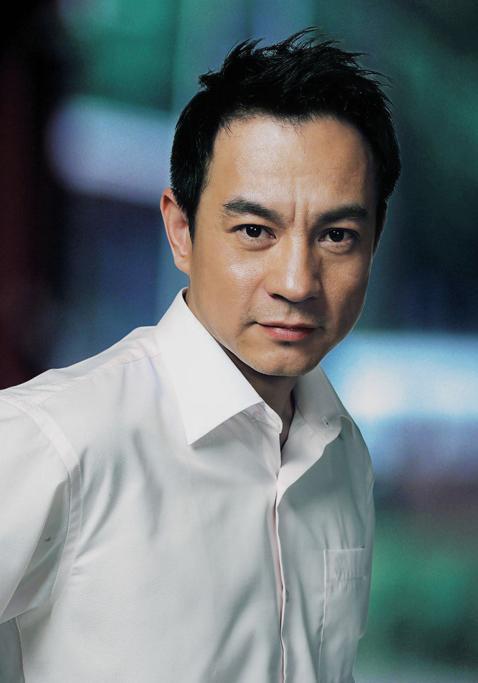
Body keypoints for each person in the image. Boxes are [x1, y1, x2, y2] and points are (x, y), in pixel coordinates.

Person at [0, 29, 400, 683]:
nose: (296, 282)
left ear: (374, 242)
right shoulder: (55, 440)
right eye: (254, 230)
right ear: (181, 230)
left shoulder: (343, 453)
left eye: (336, 235)